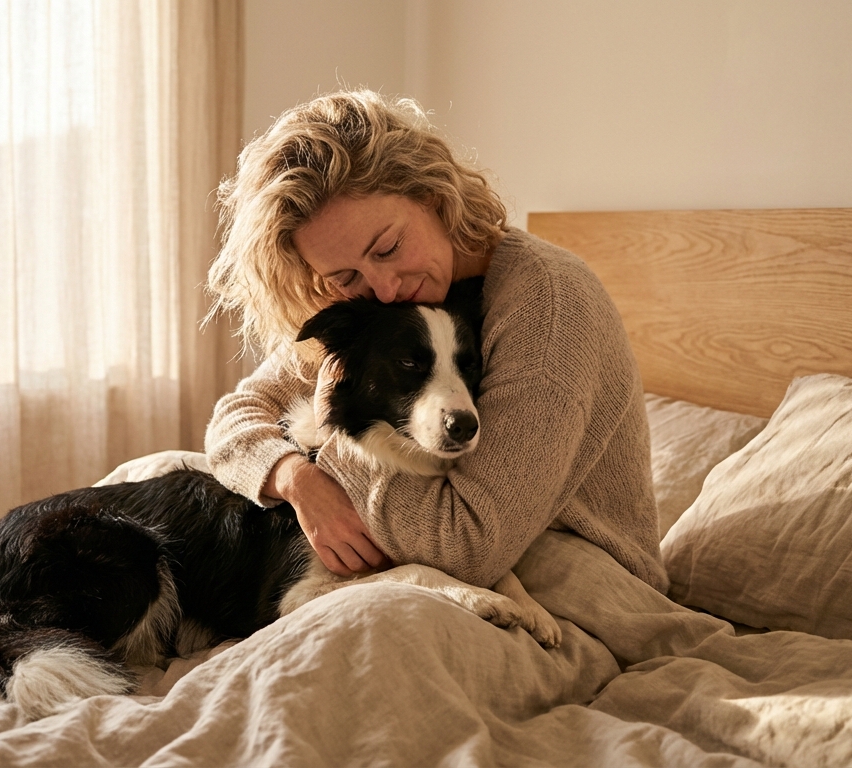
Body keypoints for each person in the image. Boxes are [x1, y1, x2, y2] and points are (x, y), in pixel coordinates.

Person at [203, 90, 668, 594]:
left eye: (388, 247)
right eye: (344, 275)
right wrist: (298, 481)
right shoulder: (377, 304)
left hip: (580, 584)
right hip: (455, 570)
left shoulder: (549, 304)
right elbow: (235, 419)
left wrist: (339, 450)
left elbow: (468, 547)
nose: (382, 289)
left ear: (431, 195)